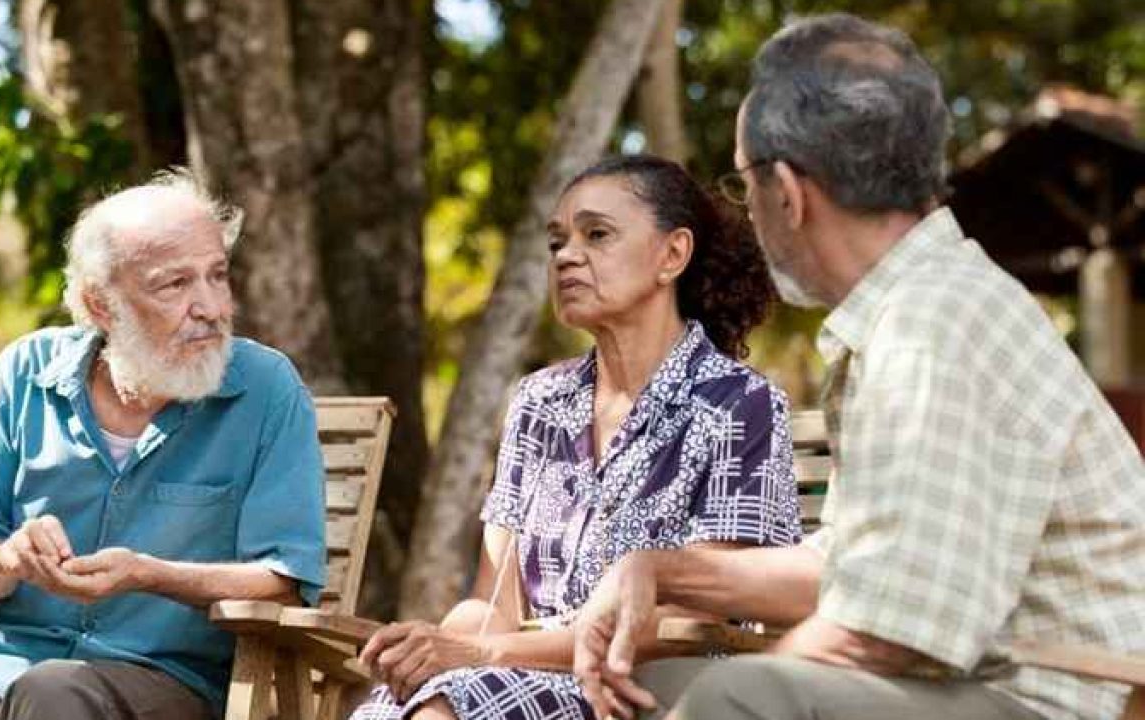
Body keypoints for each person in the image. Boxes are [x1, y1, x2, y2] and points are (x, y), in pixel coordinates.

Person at [572, 13, 1145, 720]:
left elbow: (888, 633)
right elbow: (849, 569)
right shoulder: (905, 312)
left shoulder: (932, 325)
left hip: (1067, 699)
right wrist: (658, 570)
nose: (746, 209)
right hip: (973, 684)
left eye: (741, 182)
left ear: (788, 189)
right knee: (662, 688)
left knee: (734, 697)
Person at [351, 155, 802, 720]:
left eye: (597, 234)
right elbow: (496, 600)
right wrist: (440, 644)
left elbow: (687, 621)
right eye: (557, 241)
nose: (566, 255)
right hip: (520, 673)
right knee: (392, 707)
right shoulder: (538, 402)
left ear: (673, 254)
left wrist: (481, 654)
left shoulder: (738, 405)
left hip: (646, 685)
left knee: (450, 705)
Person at [0, 170, 328, 720]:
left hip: (161, 679)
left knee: (54, 692)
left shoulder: (267, 390)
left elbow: (286, 581)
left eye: (217, 275)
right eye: (174, 284)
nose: (211, 306)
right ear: (102, 305)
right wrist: (8, 559)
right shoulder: (23, 374)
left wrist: (147, 573)